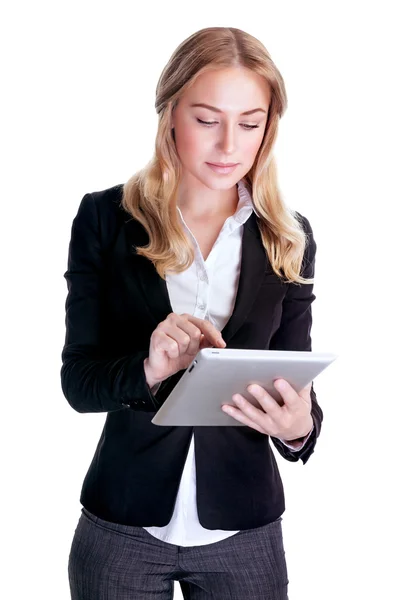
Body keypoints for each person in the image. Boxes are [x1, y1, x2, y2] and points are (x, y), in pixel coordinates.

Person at [62, 26, 323, 600]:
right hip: (123, 525)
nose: (229, 145)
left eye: (250, 123)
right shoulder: (105, 219)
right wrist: (149, 367)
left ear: (268, 129)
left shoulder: (290, 236)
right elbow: (78, 383)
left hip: (245, 529)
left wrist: (299, 428)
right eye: (207, 120)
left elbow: (296, 394)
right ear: (170, 116)